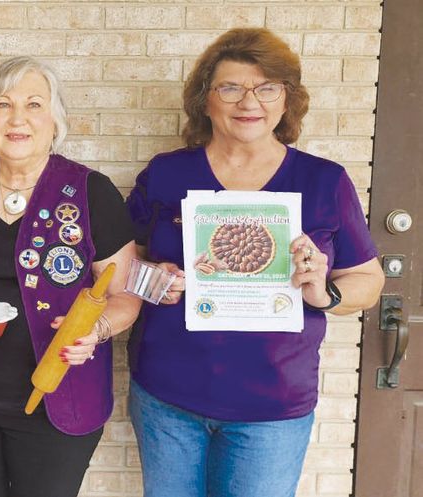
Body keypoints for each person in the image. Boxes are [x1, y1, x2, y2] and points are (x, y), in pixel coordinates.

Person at [126, 28, 385, 497]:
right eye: (230, 87)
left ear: (286, 101)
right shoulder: (167, 172)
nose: (250, 101)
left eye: (267, 88)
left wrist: (325, 292)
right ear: (206, 101)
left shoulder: (324, 181)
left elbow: (368, 278)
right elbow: (124, 265)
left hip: (272, 410)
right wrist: (151, 280)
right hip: (168, 398)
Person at [0, 56, 141, 497]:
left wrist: (93, 330)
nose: (17, 118)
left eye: (34, 105)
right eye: (3, 104)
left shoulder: (90, 191)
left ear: (55, 121)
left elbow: (126, 295)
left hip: (58, 401)